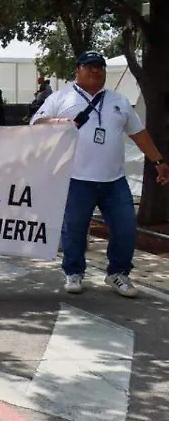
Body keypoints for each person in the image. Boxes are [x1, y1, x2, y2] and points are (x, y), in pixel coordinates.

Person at [32, 51, 169, 298]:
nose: (96, 71)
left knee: (126, 227)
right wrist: (61, 122)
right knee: (74, 228)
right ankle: (74, 273)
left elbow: (139, 134)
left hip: (114, 180)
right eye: (90, 66)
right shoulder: (60, 98)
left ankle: (118, 273)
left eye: (100, 67)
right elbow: (36, 124)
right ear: (78, 70)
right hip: (76, 179)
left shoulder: (119, 101)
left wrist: (158, 160)